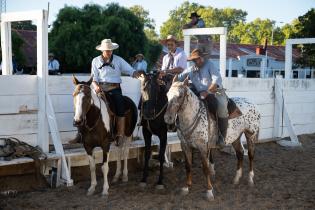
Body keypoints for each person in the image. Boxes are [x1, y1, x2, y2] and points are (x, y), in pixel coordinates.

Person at [91, 39, 141, 143]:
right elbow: (93, 78)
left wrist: (137, 74)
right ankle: (81, 134)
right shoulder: (95, 61)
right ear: (102, 50)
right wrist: (96, 86)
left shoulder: (118, 60)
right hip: (100, 89)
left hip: (115, 89)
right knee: (86, 104)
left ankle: (120, 134)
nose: (109, 52)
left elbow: (130, 70)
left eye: (110, 50)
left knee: (120, 107)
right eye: (107, 50)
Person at [178, 49, 228, 147]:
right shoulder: (191, 69)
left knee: (222, 107)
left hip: (215, 92)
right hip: (200, 93)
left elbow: (216, 81)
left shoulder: (210, 65)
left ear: (202, 58)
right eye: (194, 60)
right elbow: (179, 77)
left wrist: (207, 92)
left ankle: (222, 136)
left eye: (198, 59)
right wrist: (166, 75)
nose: (197, 61)